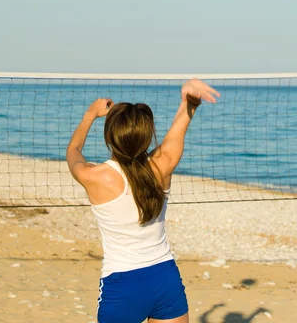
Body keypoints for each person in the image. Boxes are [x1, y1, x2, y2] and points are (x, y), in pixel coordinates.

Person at [66, 78, 220, 323]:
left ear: (110, 137)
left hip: (123, 286)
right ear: (147, 138)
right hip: (165, 279)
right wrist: (189, 103)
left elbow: (73, 150)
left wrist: (90, 115)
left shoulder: (93, 176)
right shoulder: (162, 165)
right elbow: (179, 128)